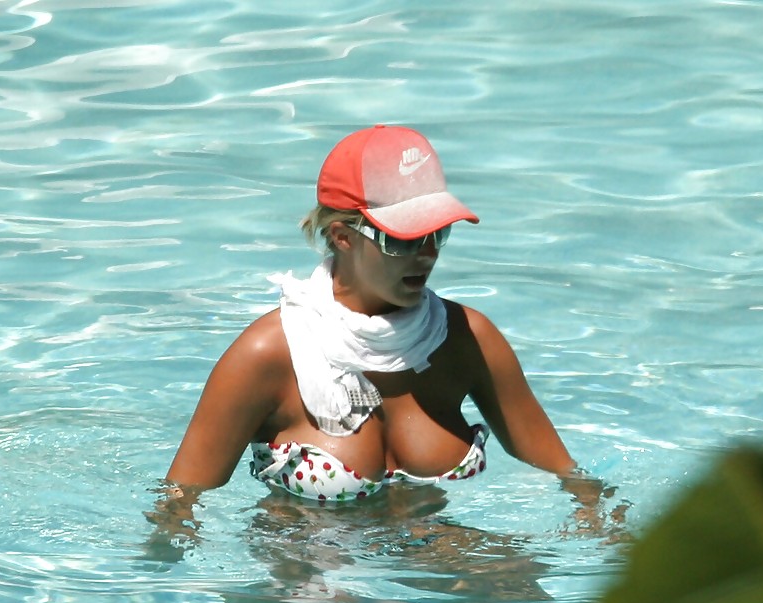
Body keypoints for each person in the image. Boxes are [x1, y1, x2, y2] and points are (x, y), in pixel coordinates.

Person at [163, 124, 615, 519]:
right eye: (404, 239)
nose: (428, 254)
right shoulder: (267, 355)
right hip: (303, 570)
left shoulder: (466, 338)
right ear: (342, 237)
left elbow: (571, 476)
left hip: (432, 557)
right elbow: (178, 505)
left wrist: (602, 517)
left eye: (439, 231)